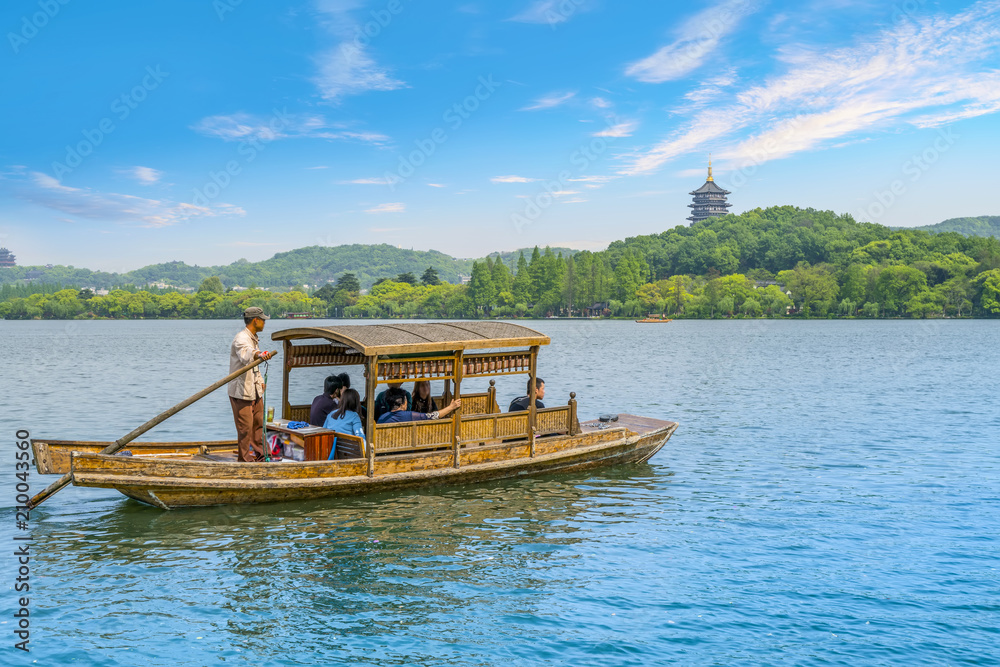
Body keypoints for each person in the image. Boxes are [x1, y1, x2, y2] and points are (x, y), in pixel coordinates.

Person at [228, 307, 274, 462]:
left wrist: (261, 382)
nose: (264, 323)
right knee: (245, 428)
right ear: (256, 320)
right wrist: (257, 354)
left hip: (255, 390)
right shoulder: (241, 338)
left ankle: (262, 456)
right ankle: (245, 460)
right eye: (263, 320)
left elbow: (255, 367)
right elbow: (246, 354)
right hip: (241, 392)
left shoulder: (253, 337)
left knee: (259, 425)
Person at [377, 387, 461, 424]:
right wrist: (451, 407)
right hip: (406, 451)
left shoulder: (381, 419)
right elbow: (434, 416)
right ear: (403, 403)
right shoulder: (409, 416)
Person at [323, 388, 365, 459]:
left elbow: (323, 430)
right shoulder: (354, 416)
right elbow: (360, 437)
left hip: (332, 453)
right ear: (356, 402)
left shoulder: (331, 414)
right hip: (348, 454)